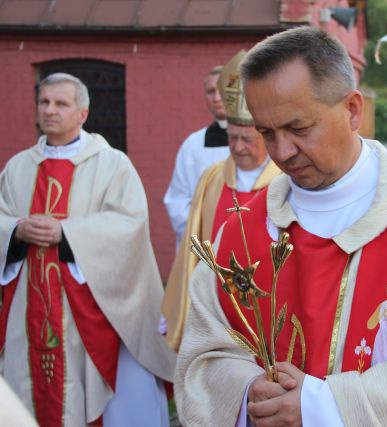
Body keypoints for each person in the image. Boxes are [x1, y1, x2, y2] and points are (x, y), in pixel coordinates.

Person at [175, 27, 387, 426]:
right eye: (267, 132)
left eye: (298, 128)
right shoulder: (242, 232)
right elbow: (203, 355)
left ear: (353, 110)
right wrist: (248, 391)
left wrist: (325, 405)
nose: (281, 152)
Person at [0, 73, 175, 426]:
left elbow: (130, 225)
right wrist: (16, 230)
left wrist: (66, 233)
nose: (50, 110)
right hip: (29, 308)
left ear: (82, 113)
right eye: (44, 102)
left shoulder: (112, 164)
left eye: (61, 103)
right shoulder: (18, 167)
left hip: (89, 309)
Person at [161, 50, 281, 352]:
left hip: (271, 295)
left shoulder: (284, 181)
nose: (238, 148)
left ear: (265, 137)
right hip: (217, 298)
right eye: (233, 138)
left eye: (248, 140)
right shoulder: (212, 179)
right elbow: (194, 239)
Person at [164, 65, 230, 248]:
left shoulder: (261, 139)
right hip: (204, 242)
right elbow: (177, 200)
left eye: (222, 90)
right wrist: (203, 232)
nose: (217, 98)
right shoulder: (193, 145)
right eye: (210, 92)